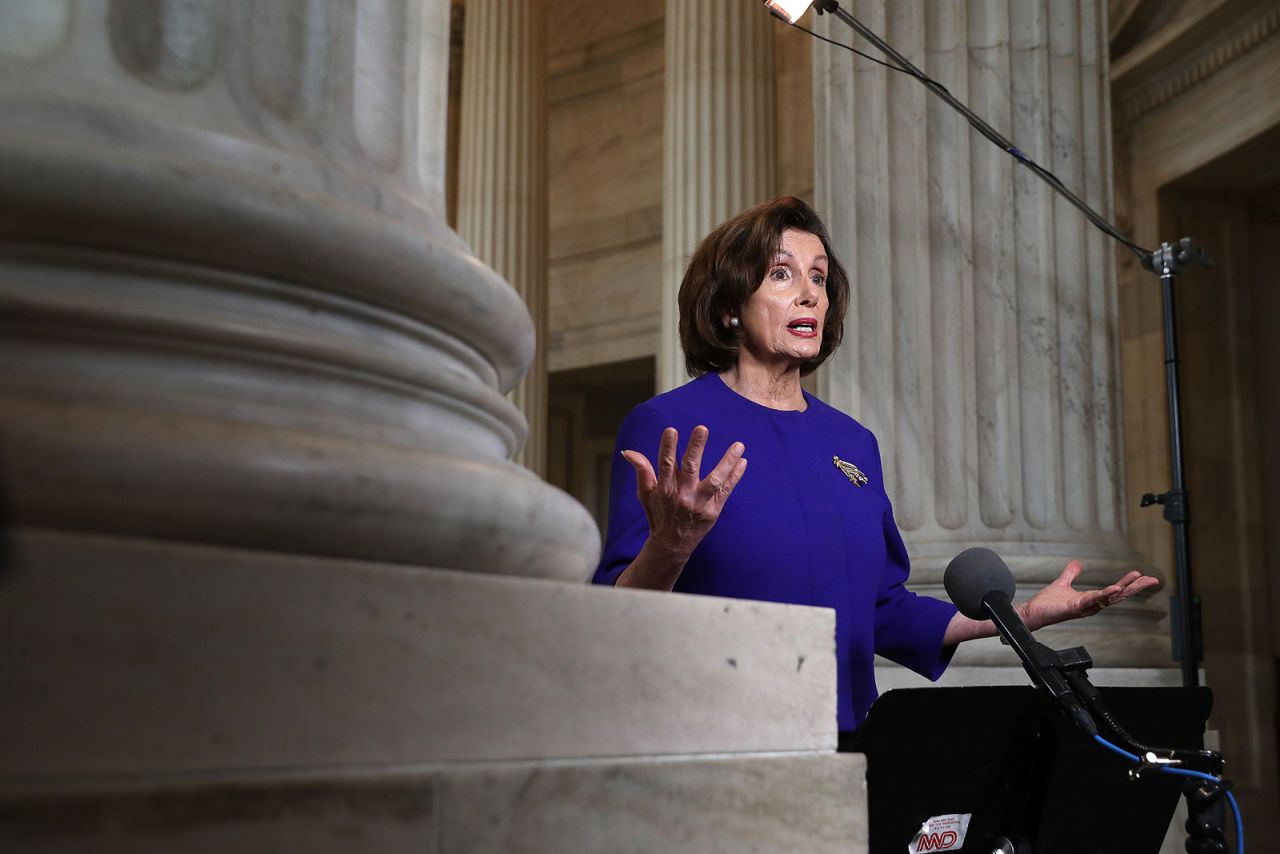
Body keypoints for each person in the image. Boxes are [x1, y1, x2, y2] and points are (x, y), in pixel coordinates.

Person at [591, 196, 1158, 732]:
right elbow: (616, 618)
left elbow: (881, 609)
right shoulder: (669, 424)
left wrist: (1022, 617)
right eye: (782, 274)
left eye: (819, 277)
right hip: (719, 737)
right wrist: (672, 543)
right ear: (727, 307)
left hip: (852, 738)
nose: (810, 294)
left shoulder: (852, 442)